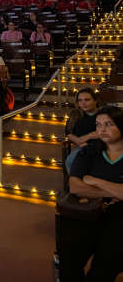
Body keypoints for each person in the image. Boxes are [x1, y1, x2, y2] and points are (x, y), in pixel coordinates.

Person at [57, 107, 123, 282]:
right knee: (68, 261)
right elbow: (76, 187)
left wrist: (95, 180)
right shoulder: (89, 152)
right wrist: (113, 191)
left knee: (105, 267)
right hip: (87, 213)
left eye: (108, 124)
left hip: (119, 218)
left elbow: (85, 181)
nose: (102, 130)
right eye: (98, 125)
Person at [64, 88, 100, 174]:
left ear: (95, 101)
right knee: (70, 162)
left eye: (87, 100)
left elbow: (109, 131)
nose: (83, 103)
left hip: (102, 145)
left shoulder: (104, 113)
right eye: (80, 100)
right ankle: (76, 184)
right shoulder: (75, 114)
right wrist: (78, 141)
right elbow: (68, 132)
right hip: (82, 146)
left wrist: (88, 136)